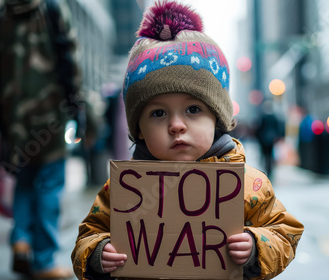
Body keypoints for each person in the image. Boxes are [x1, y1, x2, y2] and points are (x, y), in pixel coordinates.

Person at [71, 2, 304, 279]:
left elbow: (285, 233)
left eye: (193, 110)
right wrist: (99, 253)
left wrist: (256, 246)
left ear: (216, 118)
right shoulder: (124, 190)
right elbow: (88, 235)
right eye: (158, 113)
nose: (176, 125)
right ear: (140, 129)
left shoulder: (248, 184)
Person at [0, 0, 81, 278]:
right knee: (50, 183)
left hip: (15, 118)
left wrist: (3, 121)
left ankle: (21, 241)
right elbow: (69, 59)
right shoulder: (51, 7)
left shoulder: (1, 15)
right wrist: (78, 105)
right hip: (50, 115)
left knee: (24, 182)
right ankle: (45, 261)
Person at [254, 101, 285, 179]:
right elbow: (278, 128)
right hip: (271, 140)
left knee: (265, 155)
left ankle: (267, 169)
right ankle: (270, 170)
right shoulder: (273, 117)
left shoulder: (263, 117)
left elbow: (259, 129)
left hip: (264, 140)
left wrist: (259, 138)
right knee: (270, 155)